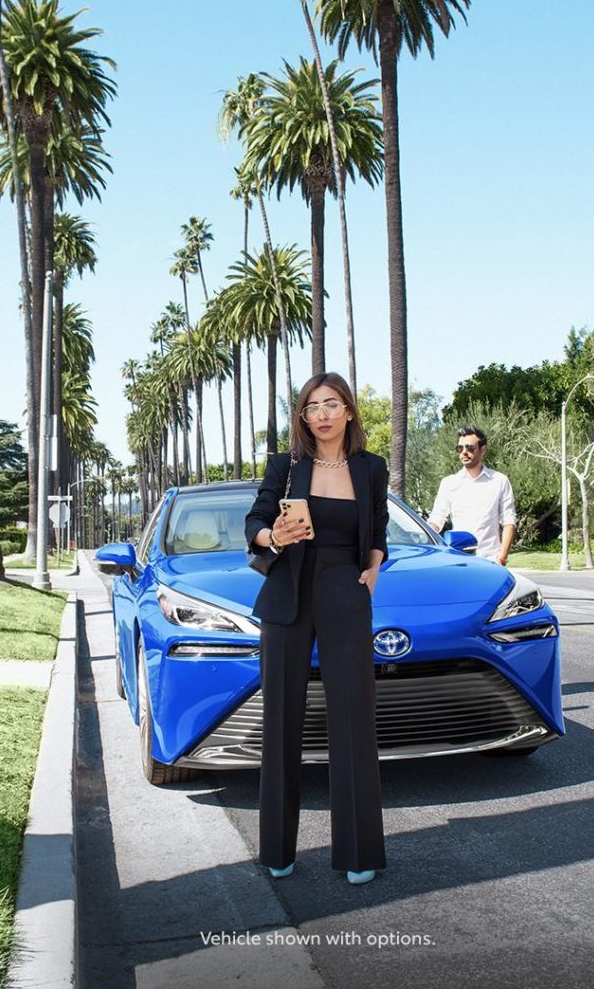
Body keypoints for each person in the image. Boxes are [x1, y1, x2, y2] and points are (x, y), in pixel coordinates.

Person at [245, 372, 388, 886]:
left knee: (353, 721)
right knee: (282, 720)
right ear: (303, 418)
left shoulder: (372, 469)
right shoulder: (286, 467)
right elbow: (255, 522)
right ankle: (278, 851)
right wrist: (273, 534)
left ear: (349, 411)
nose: (322, 413)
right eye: (312, 406)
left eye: (331, 404)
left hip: (346, 593)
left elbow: (377, 529)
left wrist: (372, 569)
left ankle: (357, 853)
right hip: (289, 589)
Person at [427, 425, 517, 565]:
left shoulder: (499, 481)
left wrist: (502, 558)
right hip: (458, 561)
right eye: (460, 448)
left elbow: (508, 522)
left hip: (490, 561)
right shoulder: (449, 483)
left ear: (482, 450)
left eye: (470, 448)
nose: (464, 452)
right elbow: (437, 519)